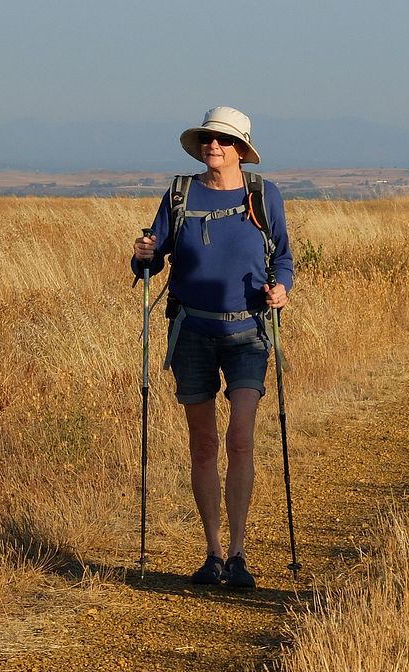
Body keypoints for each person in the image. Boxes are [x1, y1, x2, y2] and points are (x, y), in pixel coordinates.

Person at [131, 106, 293, 589]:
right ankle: (214, 554)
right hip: (192, 333)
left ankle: (240, 553)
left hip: (248, 334)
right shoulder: (180, 193)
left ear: (241, 149)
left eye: (222, 140)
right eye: (207, 138)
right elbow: (149, 261)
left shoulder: (264, 195)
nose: (212, 145)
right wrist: (141, 255)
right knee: (203, 445)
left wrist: (281, 289)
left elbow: (282, 257)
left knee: (240, 439)